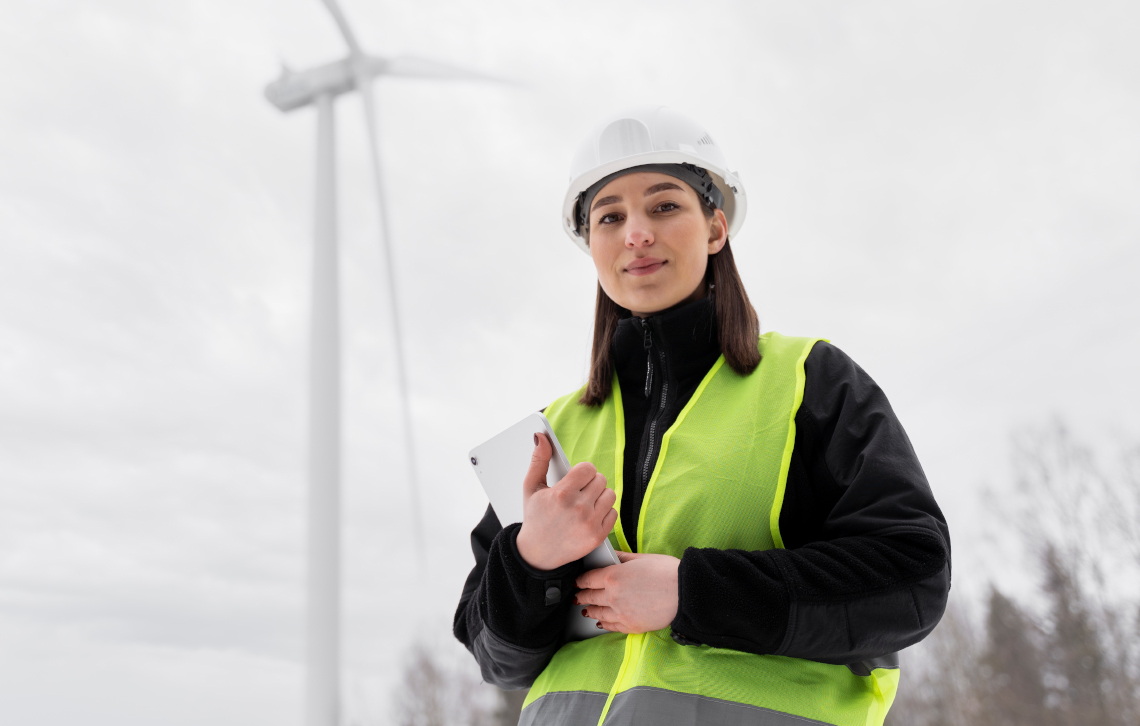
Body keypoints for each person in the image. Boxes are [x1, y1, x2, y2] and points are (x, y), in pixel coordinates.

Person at [453, 107, 950, 726]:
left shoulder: (809, 382)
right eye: (610, 217)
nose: (636, 233)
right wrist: (530, 559)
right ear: (592, 245)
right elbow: (497, 658)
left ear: (716, 228)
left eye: (664, 207)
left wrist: (694, 592)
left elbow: (911, 580)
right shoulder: (549, 432)